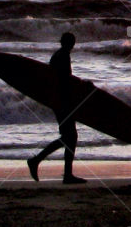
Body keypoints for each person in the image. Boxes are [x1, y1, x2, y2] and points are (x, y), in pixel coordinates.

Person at [28, 32, 88, 184]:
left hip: (60, 101)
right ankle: (38, 161)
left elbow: (59, 80)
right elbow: (64, 81)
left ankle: (64, 172)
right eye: (71, 42)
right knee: (70, 137)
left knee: (69, 138)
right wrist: (84, 86)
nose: (72, 45)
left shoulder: (59, 55)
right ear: (68, 43)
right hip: (62, 102)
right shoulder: (62, 56)